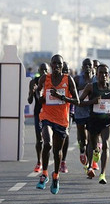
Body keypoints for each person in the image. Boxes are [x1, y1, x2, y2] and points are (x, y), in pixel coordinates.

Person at [35, 54, 79, 194]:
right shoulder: (45, 78)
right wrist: (40, 97)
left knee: (57, 152)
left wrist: (62, 97)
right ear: (51, 65)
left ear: (62, 65)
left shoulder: (68, 79)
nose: (57, 66)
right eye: (54, 63)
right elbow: (38, 91)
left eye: (59, 64)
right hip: (47, 116)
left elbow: (77, 101)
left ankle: (55, 176)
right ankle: (44, 174)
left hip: (61, 119)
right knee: (47, 143)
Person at [79, 64, 110, 184]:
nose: (103, 75)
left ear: (108, 75)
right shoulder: (91, 87)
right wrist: (92, 101)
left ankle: (103, 174)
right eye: (101, 73)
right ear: (97, 74)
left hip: (107, 120)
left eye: (106, 73)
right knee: (92, 144)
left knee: (105, 144)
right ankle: (90, 166)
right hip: (94, 119)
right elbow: (79, 102)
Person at [73, 58, 99, 171]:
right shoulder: (78, 79)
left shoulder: (96, 79)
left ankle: (89, 165)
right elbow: (71, 91)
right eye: (85, 65)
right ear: (82, 67)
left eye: (89, 65)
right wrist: (84, 89)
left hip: (92, 112)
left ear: (93, 66)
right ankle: (82, 151)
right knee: (82, 138)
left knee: (91, 138)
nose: (88, 66)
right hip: (79, 111)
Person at [28, 62, 49, 172]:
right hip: (38, 113)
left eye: (46, 70)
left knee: (48, 140)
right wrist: (32, 92)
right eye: (42, 70)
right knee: (39, 139)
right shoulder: (34, 82)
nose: (44, 72)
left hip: (50, 113)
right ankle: (39, 162)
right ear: (39, 71)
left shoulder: (51, 82)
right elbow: (30, 100)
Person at [59, 61, 72, 173]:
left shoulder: (70, 80)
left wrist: (72, 111)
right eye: (64, 71)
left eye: (66, 71)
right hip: (52, 114)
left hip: (66, 113)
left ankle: (63, 161)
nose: (64, 73)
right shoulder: (52, 79)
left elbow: (75, 98)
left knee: (65, 135)